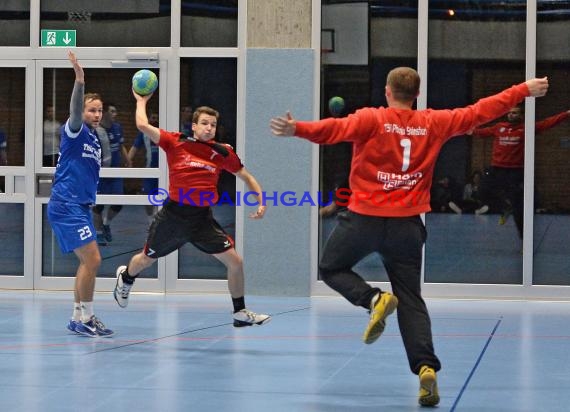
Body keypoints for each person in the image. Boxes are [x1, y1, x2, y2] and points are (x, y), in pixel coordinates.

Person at [270, 67, 549, 407]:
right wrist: (523, 89)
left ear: (388, 91)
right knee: (411, 299)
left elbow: (333, 130)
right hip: (406, 227)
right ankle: (426, 368)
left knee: (330, 268)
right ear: (416, 95)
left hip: (363, 220)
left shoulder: (371, 118)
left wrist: (296, 128)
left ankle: (373, 300)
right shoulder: (433, 122)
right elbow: (481, 110)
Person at [113, 92, 271, 328]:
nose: (209, 128)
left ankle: (239, 312)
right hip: (174, 217)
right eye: (204, 124)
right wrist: (141, 101)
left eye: (213, 125)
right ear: (194, 126)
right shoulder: (176, 141)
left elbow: (245, 176)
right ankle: (125, 278)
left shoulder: (222, 152)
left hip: (201, 220)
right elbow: (142, 125)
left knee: (235, 263)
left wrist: (261, 200)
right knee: (146, 259)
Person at [46, 51, 113, 338]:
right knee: (94, 260)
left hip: (81, 205)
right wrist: (80, 80)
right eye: (91, 110)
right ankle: (86, 316)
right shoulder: (74, 131)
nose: (96, 115)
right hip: (66, 204)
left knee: (87, 262)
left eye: (99, 111)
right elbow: (74, 111)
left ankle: (78, 317)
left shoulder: (96, 140)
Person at [471, 105, 570, 237]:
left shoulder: (526, 128)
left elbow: (547, 123)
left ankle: (524, 240)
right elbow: (480, 133)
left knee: (519, 210)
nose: (511, 115)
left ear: (521, 115)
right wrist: (466, 129)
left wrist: (567, 114)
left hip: (515, 172)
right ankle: (505, 207)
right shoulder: (499, 127)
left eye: (515, 113)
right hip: (497, 169)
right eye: (510, 113)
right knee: (482, 191)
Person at [92, 103, 131, 245]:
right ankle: (99, 233)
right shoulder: (95, 130)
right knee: (98, 206)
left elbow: (121, 146)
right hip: (100, 174)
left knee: (118, 204)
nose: (115, 114)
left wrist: (127, 160)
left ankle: (106, 224)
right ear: (106, 113)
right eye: (112, 111)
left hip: (116, 172)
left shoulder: (117, 127)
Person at [127, 110, 160, 223]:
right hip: (150, 170)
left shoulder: (163, 132)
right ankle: (151, 221)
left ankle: (159, 220)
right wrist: (128, 160)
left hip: (164, 171)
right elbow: (134, 147)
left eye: (157, 118)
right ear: (149, 119)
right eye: (153, 118)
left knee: (162, 196)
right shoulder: (144, 133)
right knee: (148, 197)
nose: (155, 120)